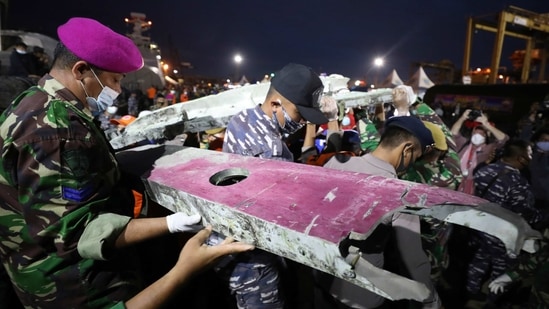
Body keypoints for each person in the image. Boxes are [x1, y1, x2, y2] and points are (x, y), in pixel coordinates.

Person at [0, 17, 254, 308]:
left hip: (30, 266)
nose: (118, 90)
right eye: (113, 80)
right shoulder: (60, 133)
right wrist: (171, 227)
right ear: (81, 70)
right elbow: (78, 233)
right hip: (72, 285)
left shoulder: (33, 100)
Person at [221, 62, 329, 309]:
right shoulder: (271, 149)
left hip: (232, 249)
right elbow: (285, 212)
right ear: (275, 104)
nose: (300, 122)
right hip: (255, 261)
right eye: (299, 114)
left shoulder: (243, 118)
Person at [323, 116, 441, 309]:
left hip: (324, 278)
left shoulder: (335, 165)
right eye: (415, 157)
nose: (411, 163)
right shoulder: (400, 191)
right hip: (361, 294)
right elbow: (413, 258)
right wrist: (430, 300)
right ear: (407, 149)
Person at [465, 139, 542, 307]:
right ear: (521, 158)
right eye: (529, 154)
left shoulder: (484, 170)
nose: (532, 157)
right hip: (502, 233)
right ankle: (495, 299)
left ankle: (471, 289)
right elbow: (525, 212)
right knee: (503, 268)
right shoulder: (518, 183)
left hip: (478, 226)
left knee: (480, 257)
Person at [450, 109, 508, 195]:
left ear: (487, 134)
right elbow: (453, 133)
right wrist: (462, 118)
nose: (478, 134)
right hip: (456, 182)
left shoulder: (488, 148)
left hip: (475, 187)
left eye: (482, 133)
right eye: (475, 131)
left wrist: (486, 124)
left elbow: (504, 139)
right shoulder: (463, 144)